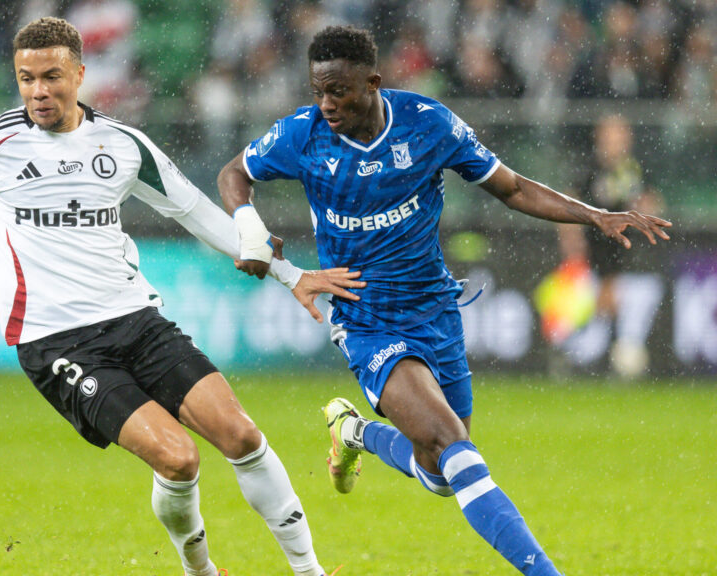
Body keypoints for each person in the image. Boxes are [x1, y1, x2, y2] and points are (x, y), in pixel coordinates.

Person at [0, 17, 354, 576]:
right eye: (26, 79)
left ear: (79, 74)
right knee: (178, 457)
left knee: (241, 435)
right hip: (55, 341)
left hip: (136, 320)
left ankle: (310, 572)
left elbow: (192, 209)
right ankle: (201, 571)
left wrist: (290, 274)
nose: (39, 91)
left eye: (51, 77)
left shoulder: (121, 145)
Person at [217, 25, 671, 576]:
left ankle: (355, 432)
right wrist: (248, 225)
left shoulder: (427, 123)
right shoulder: (302, 135)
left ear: (374, 82)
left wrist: (594, 215)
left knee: (439, 469)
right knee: (456, 450)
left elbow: (513, 188)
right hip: (366, 316)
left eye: (339, 91)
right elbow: (235, 173)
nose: (326, 104)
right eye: (318, 91)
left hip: (435, 308)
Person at [559, 113, 664, 377]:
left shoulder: (639, 170)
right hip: (595, 265)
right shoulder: (587, 171)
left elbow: (655, 206)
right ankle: (569, 363)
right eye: (609, 136)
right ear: (599, 138)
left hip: (633, 268)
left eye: (620, 136)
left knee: (630, 346)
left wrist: (643, 205)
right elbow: (568, 209)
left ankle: (621, 369)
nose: (615, 142)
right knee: (586, 346)